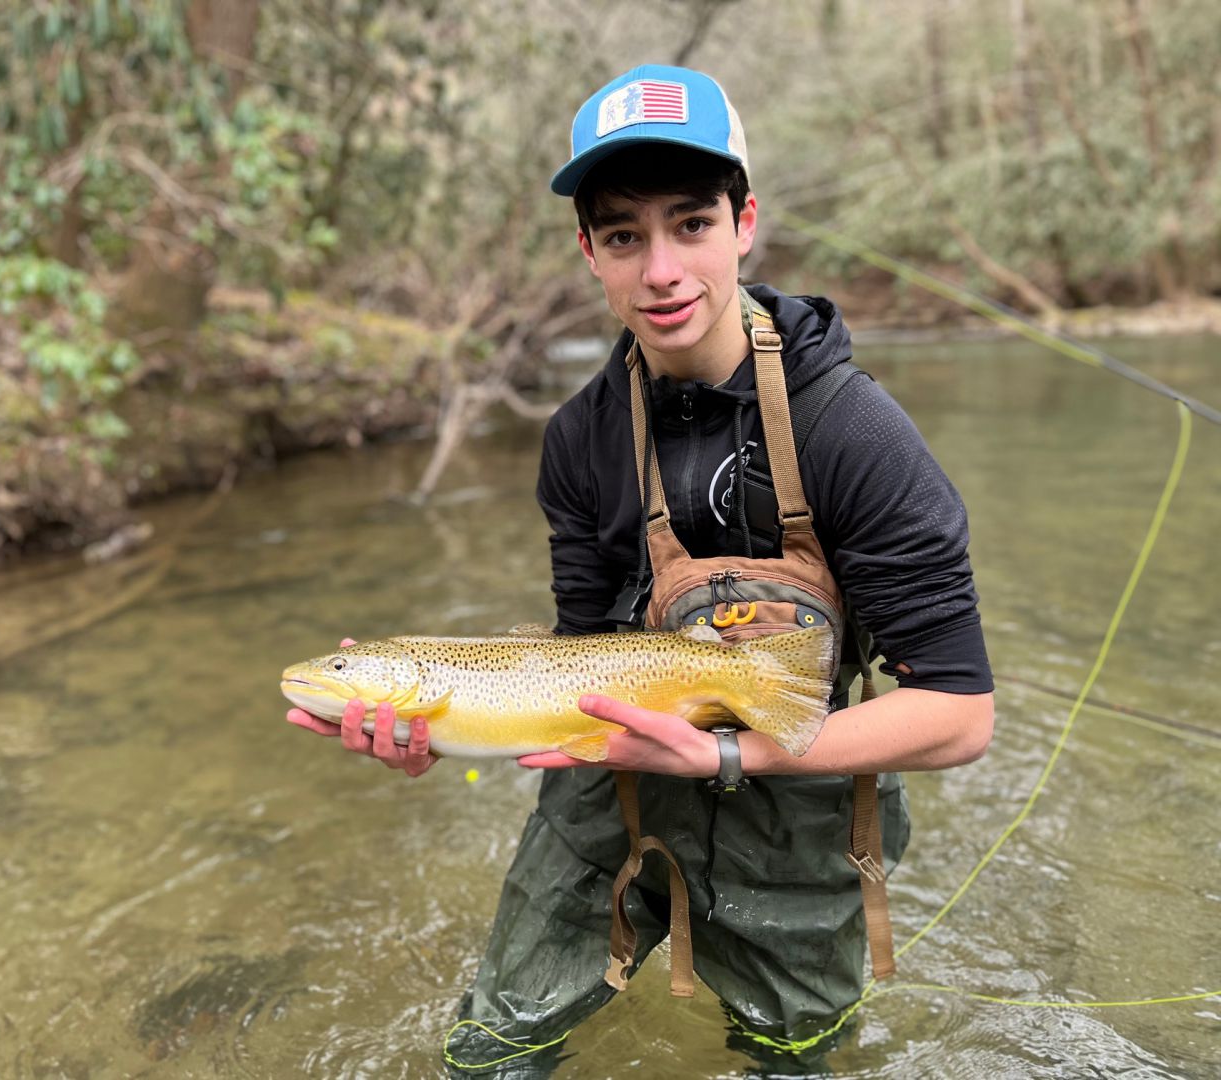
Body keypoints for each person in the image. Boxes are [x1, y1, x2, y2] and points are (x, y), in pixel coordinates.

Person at [287, 64, 994, 1075]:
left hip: (796, 793)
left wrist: (727, 756)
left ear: (744, 222)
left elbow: (962, 716)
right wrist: (436, 738)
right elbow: (579, 661)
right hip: (608, 793)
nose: (661, 269)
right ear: (589, 253)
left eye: (690, 225)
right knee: (486, 1056)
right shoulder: (577, 441)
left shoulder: (857, 436)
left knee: (794, 1061)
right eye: (624, 235)